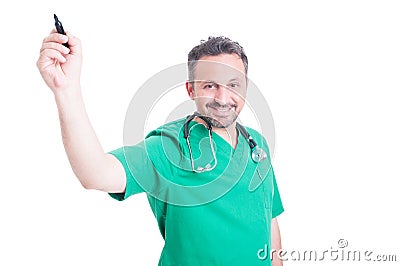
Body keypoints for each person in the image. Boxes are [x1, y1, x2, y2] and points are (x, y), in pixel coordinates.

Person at [37, 29, 284, 265]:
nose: (222, 97)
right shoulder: (169, 147)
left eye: (233, 84)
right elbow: (96, 174)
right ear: (191, 90)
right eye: (210, 85)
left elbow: (269, 223)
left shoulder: (257, 145)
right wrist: (66, 90)